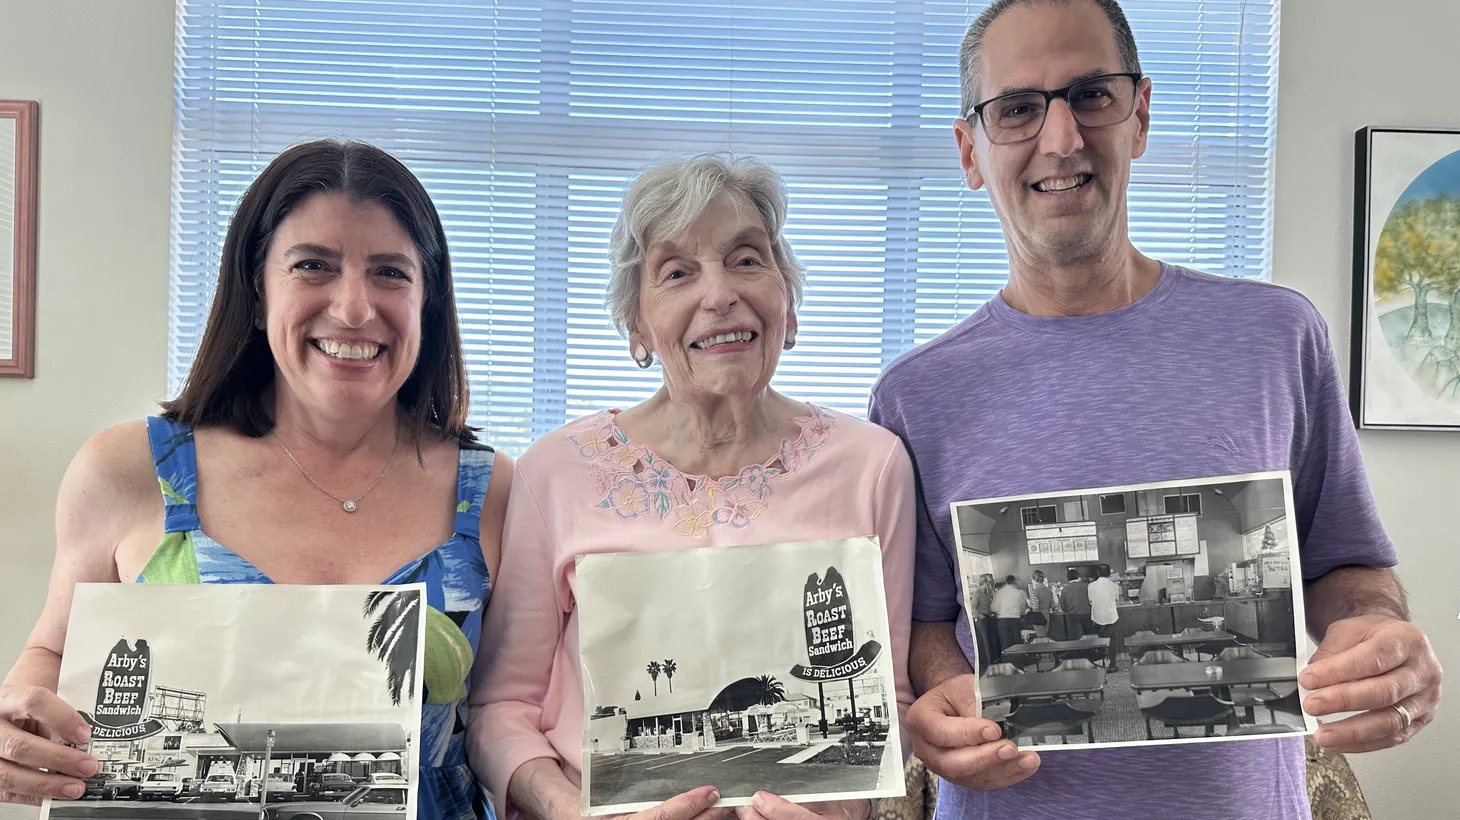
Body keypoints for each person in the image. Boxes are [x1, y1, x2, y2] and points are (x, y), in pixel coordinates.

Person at [866, 0, 1443, 817]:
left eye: (1092, 94)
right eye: (1019, 108)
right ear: (970, 150)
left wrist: (1376, 636)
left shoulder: (1277, 336)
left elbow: (1344, 562)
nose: (1061, 138)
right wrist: (946, 689)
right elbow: (922, 619)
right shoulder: (915, 394)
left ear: (1139, 115)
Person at [0, 140, 513, 819]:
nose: (355, 308)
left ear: (430, 298)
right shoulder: (128, 471)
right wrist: (16, 723)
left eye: (391, 272)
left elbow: (513, 712)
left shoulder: (495, 491)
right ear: (256, 283)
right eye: (313, 266)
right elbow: (50, 652)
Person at [466, 152, 916, 820]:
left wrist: (843, 813)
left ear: (786, 303)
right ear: (638, 325)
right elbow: (501, 709)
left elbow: (892, 700)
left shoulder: (873, 466)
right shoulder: (553, 475)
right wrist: (566, 810)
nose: (719, 294)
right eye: (677, 272)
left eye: (746, 259)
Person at [1086, 564, 1121, 665]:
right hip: (1112, 617)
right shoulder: (1115, 586)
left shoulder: (1091, 586)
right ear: (1109, 573)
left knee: (1100, 642)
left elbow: (1091, 601)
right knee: (1112, 642)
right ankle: (1112, 664)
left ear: (1098, 573)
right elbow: (1116, 600)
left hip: (1097, 618)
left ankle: (1101, 664)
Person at [991, 575, 1028, 658]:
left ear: (1006, 582)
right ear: (1014, 581)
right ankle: (1019, 662)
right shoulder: (1019, 592)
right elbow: (1023, 608)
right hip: (1016, 619)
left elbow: (994, 607)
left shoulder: (1000, 592)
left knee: (1005, 643)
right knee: (1017, 641)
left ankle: (1007, 661)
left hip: (1003, 620)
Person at [1058, 567, 1091, 639]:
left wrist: (1067, 610)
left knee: (1075, 638)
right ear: (1078, 577)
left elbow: (1062, 603)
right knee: (1090, 637)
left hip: (1072, 615)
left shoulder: (1064, 589)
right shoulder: (1086, 586)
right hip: (1087, 614)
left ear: (1067, 578)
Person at [1027, 570, 1054, 638]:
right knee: (1045, 636)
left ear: (1034, 579)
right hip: (1047, 615)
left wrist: (1029, 604)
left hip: (1038, 616)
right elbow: (1052, 605)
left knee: (1040, 637)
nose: (1031, 581)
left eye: (1032, 580)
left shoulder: (1034, 591)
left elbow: (1035, 607)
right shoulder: (1049, 590)